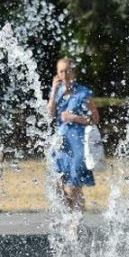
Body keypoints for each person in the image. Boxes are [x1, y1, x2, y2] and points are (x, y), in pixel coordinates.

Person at [47, 58, 100, 212]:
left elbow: (95, 119)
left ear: (74, 72)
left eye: (68, 70)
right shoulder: (57, 92)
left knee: (75, 186)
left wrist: (75, 118)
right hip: (61, 143)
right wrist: (54, 91)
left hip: (78, 143)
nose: (65, 74)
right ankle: (71, 212)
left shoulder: (83, 93)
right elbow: (50, 114)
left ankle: (74, 224)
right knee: (55, 182)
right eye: (61, 71)